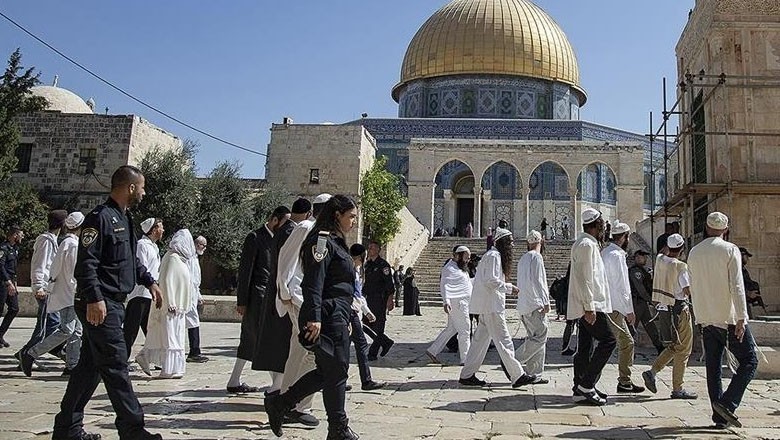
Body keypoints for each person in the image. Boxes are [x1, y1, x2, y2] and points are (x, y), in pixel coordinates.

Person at [53, 165, 163, 440]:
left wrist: (150, 281)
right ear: (130, 188)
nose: (144, 192)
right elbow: (86, 263)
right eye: (142, 187)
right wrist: (94, 298)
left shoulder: (126, 219)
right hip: (100, 303)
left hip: (114, 302)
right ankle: (132, 430)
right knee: (116, 366)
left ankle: (67, 428)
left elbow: (131, 260)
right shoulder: (98, 219)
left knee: (90, 369)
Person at [264, 195, 360, 439]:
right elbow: (314, 282)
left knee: (329, 371)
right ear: (337, 215)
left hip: (338, 313)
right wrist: (314, 317)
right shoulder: (321, 241)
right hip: (326, 315)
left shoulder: (337, 242)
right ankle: (337, 427)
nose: (353, 222)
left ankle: (282, 404)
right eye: (351, 216)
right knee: (335, 371)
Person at [687, 212, 758, 429]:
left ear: (707, 228)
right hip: (728, 317)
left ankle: (719, 416)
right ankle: (727, 403)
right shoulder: (730, 250)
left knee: (713, 368)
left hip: (706, 317)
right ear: (725, 230)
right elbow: (737, 286)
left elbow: (693, 285)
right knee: (749, 361)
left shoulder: (694, 252)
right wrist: (741, 318)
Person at [458, 228, 536, 388]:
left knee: (479, 343)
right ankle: (517, 375)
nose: (513, 244)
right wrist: (509, 287)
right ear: (503, 242)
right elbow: (490, 280)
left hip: (488, 306)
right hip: (492, 307)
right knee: (504, 341)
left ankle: (467, 375)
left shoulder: (492, 256)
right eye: (511, 241)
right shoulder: (494, 256)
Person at [277, 195, 330, 427]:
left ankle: (287, 400)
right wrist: (285, 292)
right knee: (310, 353)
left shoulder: (319, 231)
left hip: (304, 299)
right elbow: (286, 259)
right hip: (300, 299)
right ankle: (298, 405)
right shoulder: (307, 228)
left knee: (299, 352)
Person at [229, 206, 290, 393]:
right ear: (274, 220)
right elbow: (246, 270)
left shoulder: (279, 240)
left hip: (270, 296)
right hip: (257, 296)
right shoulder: (255, 238)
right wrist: (242, 301)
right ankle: (278, 384)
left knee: (252, 340)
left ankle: (234, 380)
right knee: (261, 339)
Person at [21, 212, 85, 376]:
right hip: (68, 294)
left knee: (76, 330)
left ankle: (72, 365)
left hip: (68, 292)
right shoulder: (71, 245)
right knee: (67, 330)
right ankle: (30, 353)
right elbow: (69, 272)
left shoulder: (68, 243)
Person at [568, 208, 616, 406]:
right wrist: (589, 307)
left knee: (586, 347)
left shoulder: (587, 243)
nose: (604, 228)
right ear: (596, 225)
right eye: (602, 225)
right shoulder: (586, 245)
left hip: (588, 304)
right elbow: (584, 278)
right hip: (590, 305)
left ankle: (579, 388)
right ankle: (586, 385)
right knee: (608, 341)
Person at [642, 234, 698, 400]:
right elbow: (687, 290)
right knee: (684, 349)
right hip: (679, 309)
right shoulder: (680, 267)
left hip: (664, 309)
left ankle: (652, 372)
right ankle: (677, 388)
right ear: (681, 249)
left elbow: (663, 252)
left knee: (674, 345)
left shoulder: (660, 260)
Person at [135, 229, 197, 379]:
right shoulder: (172, 257)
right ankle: (166, 368)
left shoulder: (182, 260)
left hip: (180, 307)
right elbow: (167, 280)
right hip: (170, 306)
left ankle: (174, 368)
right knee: (169, 337)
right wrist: (171, 301)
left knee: (176, 336)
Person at [17, 210, 67, 361]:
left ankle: (46, 350)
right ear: (62, 224)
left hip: (50, 289)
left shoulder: (53, 240)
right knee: (49, 323)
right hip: (44, 289)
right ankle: (27, 353)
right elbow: (40, 264)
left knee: (51, 323)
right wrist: (39, 286)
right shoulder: (46, 241)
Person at [602, 222, 645, 394]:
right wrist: (629, 310)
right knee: (626, 343)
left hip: (607, 305)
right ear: (625, 237)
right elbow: (622, 285)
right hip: (615, 307)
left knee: (611, 343)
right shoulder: (618, 255)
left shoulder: (605, 252)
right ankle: (624, 381)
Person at [124, 217, 163, 358]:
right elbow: (141, 267)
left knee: (150, 328)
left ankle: (158, 358)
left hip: (149, 294)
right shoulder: (142, 245)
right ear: (153, 230)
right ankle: (122, 358)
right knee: (131, 329)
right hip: (140, 293)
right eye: (160, 227)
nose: (163, 230)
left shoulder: (154, 246)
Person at [426, 245, 472, 365]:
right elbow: (445, 285)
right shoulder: (449, 269)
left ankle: (433, 350)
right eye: (466, 257)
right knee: (465, 331)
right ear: (457, 255)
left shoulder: (460, 268)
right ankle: (465, 359)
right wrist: (446, 302)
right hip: (457, 304)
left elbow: (466, 283)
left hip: (462, 302)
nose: (468, 260)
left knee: (451, 329)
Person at [349, 243, 386, 391]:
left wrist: (366, 311)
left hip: (354, 311)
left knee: (353, 346)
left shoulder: (357, 270)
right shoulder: (350, 270)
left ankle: (362, 380)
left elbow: (358, 294)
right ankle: (365, 380)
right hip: (349, 312)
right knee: (359, 345)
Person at [515, 230, 550, 384]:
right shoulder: (537, 257)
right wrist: (546, 301)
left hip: (524, 304)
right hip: (535, 304)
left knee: (535, 338)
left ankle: (534, 374)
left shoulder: (523, 258)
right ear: (540, 242)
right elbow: (539, 281)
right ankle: (513, 362)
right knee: (541, 336)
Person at [628, 250, 665, 354]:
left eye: (645, 256)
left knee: (650, 325)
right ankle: (627, 351)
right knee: (632, 328)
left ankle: (660, 348)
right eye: (642, 256)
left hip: (642, 303)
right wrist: (651, 300)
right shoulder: (635, 271)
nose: (645, 258)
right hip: (636, 303)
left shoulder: (643, 270)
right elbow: (641, 289)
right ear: (637, 257)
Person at [363, 241, 395, 360]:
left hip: (379, 299)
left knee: (379, 325)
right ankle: (385, 341)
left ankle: (373, 353)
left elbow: (389, 283)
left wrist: (390, 299)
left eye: (372, 248)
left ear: (377, 250)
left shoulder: (383, 265)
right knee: (365, 324)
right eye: (369, 247)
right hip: (368, 298)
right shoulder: (368, 264)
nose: (369, 249)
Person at [0, 225, 24, 348]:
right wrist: (8, 282)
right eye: (20, 234)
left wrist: (14, 283)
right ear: (15, 235)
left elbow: (13, 269)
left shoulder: (15, 248)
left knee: (14, 308)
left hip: (10, 283)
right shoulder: (3, 248)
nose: (22, 236)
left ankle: (0, 334)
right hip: (3, 283)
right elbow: (1, 266)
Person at [185, 235, 208, 363]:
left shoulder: (195, 258)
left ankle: (195, 350)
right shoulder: (189, 257)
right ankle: (194, 351)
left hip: (193, 294)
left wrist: (198, 295)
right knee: (193, 322)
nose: (204, 248)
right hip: (187, 294)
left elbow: (195, 280)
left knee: (193, 322)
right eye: (202, 245)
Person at [739, 247, 764, 318]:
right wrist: (748, 294)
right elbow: (736, 285)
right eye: (746, 256)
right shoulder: (737, 269)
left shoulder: (742, 269)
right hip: (739, 303)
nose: (747, 259)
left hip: (744, 301)